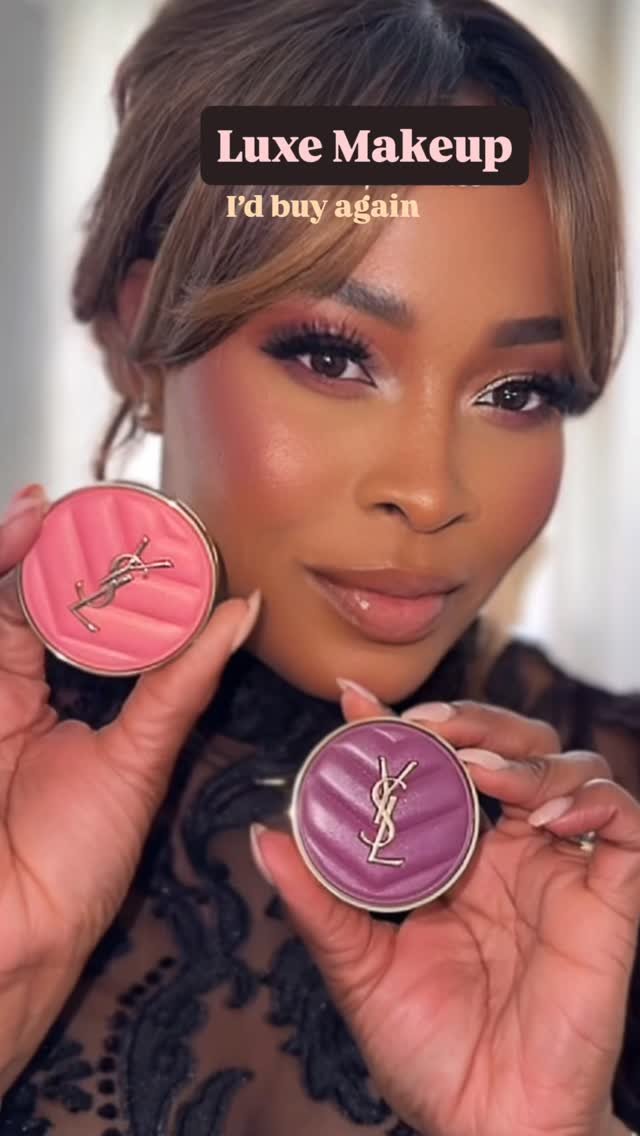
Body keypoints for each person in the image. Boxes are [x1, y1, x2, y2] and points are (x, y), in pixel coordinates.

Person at [1, 0, 639, 1133]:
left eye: (518, 389)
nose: (431, 492)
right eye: (334, 356)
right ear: (146, 338)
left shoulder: (611, 839)